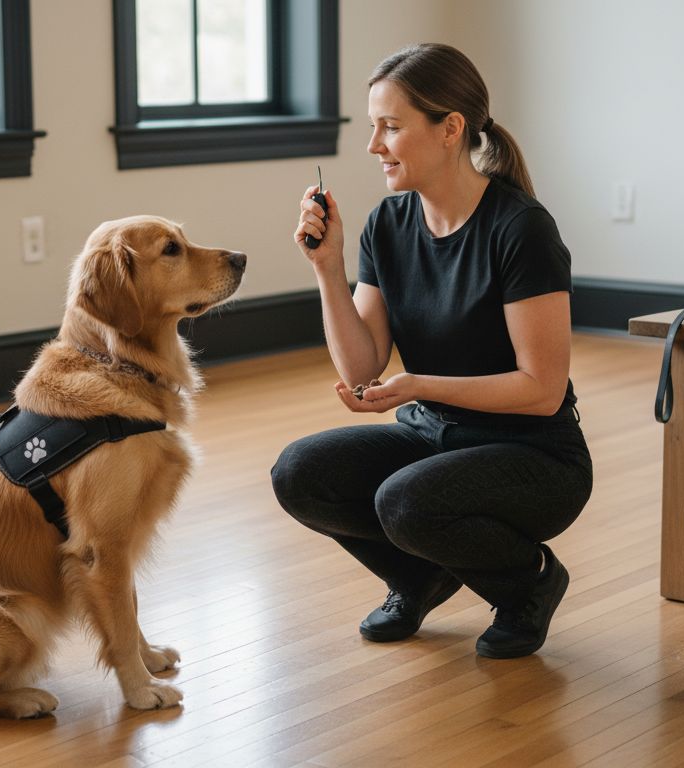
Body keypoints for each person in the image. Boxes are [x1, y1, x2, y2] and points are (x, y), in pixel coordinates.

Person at [270, 43, 593, 659]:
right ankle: (418, 577)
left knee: (406, 500)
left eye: (391, 127)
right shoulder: (387, 225)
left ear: (450, 130)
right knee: (299, 472)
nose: (374, 146)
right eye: (374, 127)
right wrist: (327, 267)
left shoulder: (520, 229)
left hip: (532, 455)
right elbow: (362, 369)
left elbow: (541, 389)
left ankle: (528, 584)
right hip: (434, 440)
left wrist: (421, 384)